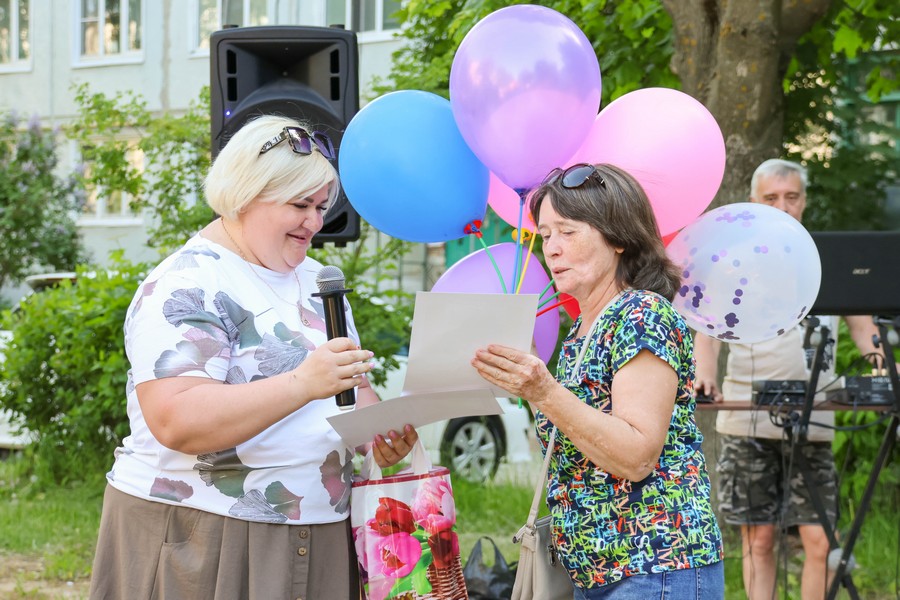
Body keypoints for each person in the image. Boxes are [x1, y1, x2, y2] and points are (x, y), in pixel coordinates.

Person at [89, 115, 418, 600]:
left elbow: (351, 390)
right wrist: (303, 383)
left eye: (321, 206)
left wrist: (380, 436)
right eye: (300, 205)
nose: (315, 221)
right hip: (203, 535)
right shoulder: (187, 283)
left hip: (321, 530)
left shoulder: (317, 281)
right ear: (245, 195)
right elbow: (178, 421)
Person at [472, 163, 725, 599]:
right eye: (546, 235)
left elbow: (636, 455)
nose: (551, 249)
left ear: (619, 238)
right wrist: (528, 383)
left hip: (655, 565)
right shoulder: (583, 330)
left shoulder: (642, 315)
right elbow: (578, 445)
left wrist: (544, 391)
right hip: (603, 573)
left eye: (567, 232)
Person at [694, 158, 886, 600]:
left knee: (819, 539)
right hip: (748, 419)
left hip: (815, 419)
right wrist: (705, 378)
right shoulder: (733, 261)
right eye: (771, 198)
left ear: (804, 202)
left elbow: (862, 327)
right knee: (759, 539)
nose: (783, 206)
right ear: (753, 202)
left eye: (791, 197)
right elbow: (708, 334)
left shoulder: (828, 260)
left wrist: (883, 364)